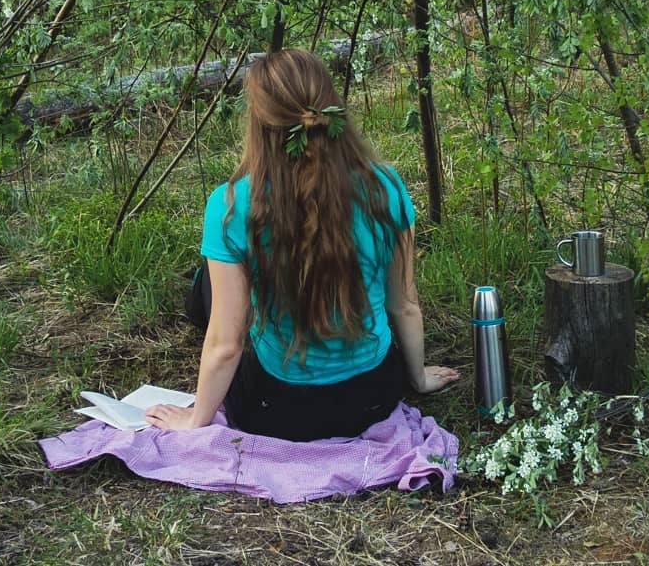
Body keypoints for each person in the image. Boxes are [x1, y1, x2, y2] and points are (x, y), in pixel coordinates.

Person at [145, 48, 459, 441]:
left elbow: (228, 344)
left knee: (211, 282)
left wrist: (195, 421)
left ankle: (203, 289)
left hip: (278, 410)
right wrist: (418, 378)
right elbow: (405, 304)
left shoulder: (230, 205)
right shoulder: (387, 186)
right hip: (374, 399)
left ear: (259, 122)